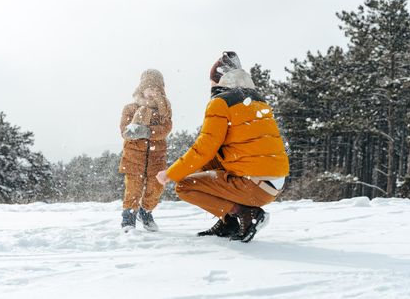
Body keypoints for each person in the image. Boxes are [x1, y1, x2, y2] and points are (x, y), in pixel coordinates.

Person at [156, 51, 289, 242]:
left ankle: (245, 213)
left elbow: (204, 147)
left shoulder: (221, 102)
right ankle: (229, 222)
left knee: (184, 186)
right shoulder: (257, 100)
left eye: (211, 81)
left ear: (219, 80)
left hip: (256, 186)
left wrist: (170, 173)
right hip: (274, 182)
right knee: (209, 164)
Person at [119, 69, 172, 232]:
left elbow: (166, 128)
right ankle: (128, 219)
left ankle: (146, 211)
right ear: (141, 89)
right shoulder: (130, 108)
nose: (152, 92)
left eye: (156, 89)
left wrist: (148, 131)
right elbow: (125, 131)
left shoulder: (163, 111)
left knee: (156, 189)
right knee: (133, 190)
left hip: (157, 159)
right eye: (149, 88)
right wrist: (135, 131)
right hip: (134, 158)